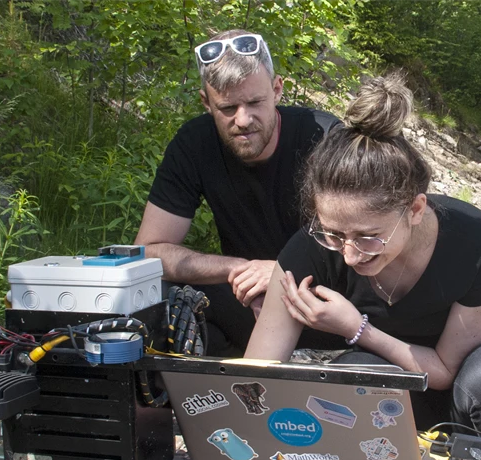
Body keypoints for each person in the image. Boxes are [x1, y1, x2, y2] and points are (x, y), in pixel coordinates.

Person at [244, 74, 481, 460]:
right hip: (386, 414)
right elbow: (258, 369)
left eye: (368, 237)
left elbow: (447, 371)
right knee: (349, 376)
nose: (348, 254)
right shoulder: (311, 249)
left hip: (466, 399)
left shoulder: (478, 241)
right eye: (333, 234)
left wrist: (355, 327)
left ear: (415, 207)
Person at [134, 30, 340, 355]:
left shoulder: (325, 138)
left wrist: (284, 271)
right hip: (248, 299)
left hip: (323, 300)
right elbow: (150, 250)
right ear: (206, 102)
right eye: (227, 107)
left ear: (277, 90)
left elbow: (367, 246)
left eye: (255, 102)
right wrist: (238, 269)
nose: (242, 120)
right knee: (149, 294)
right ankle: (167, 401)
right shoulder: (194, 144)